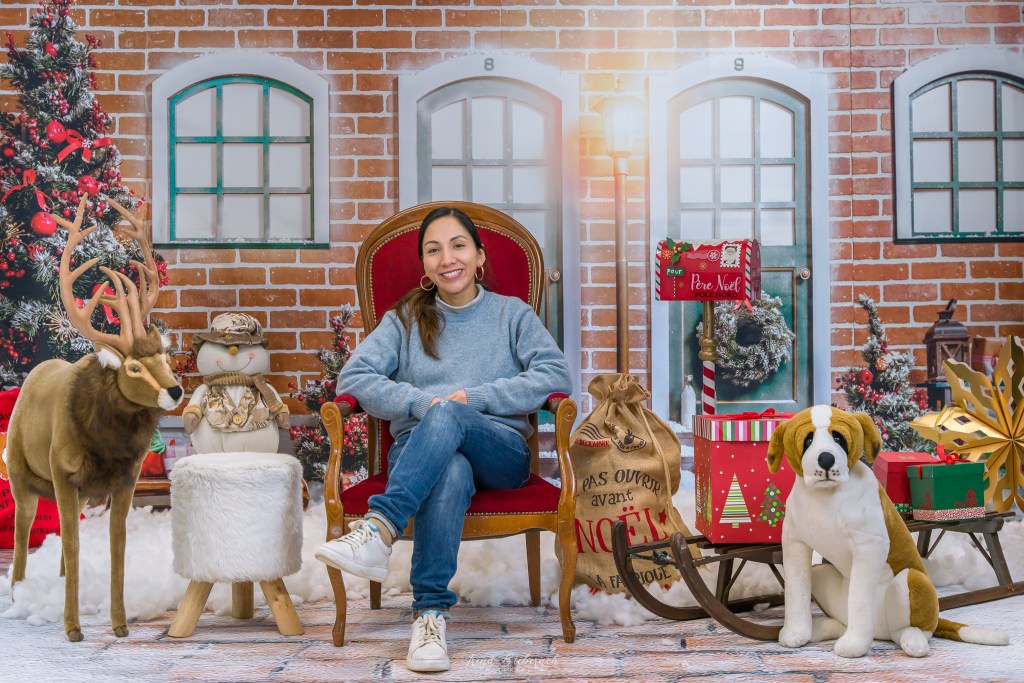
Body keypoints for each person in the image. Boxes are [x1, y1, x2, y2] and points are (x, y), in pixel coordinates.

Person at [314, 207, 572, 673]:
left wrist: (474, 399)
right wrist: (420, 403)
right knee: (450, 468)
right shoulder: (405, 318)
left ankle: (380, 528)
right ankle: (429, 618)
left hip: (500, 453)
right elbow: (354, 378)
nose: (447, 258)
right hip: (421, 452)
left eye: (458, 246)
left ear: (479, 256)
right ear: (424, 265)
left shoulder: (512, 314)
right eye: (433, 250)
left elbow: (554, 375)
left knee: (450, 413)